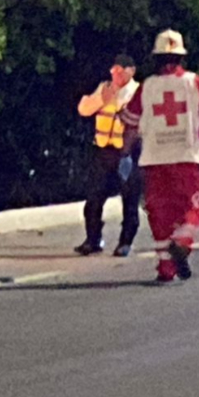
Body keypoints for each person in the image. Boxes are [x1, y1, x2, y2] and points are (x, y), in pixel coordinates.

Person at [120, 30, 199, 283]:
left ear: (156, 58)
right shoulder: (194, 82)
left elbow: (131, 125)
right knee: (190, 208)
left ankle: (166, 268)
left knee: (160, 214)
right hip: (186, 158)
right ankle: (181, 243)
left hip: (154, 162)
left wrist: (124, 155)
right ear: (181, 57)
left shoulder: (146, 87)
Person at [75, 54, 142, 257]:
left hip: (128, 153)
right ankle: (93, 239)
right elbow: (84, 109)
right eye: (114, 70)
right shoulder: (104, 88)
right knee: (93, 199)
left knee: (130, 200)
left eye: (121, 71)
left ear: (131, 71)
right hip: (104, 151)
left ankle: (125, 242)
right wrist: (101, 98)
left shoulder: (138, 92)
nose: (116, 75)